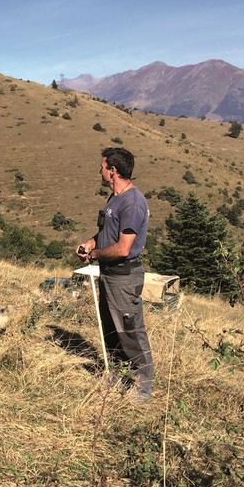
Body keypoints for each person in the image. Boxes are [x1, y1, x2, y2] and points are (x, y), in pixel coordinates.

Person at [76, 147, 154, 401]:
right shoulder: (115, 198)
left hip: (124, 276)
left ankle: (143, 388)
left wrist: (95, 255)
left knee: (130, 331)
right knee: (111, 328)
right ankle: (118, 375)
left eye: (102, 167)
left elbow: (123, 248)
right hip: (110, 274)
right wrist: (91, 243)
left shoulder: (132, 203)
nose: (99, 170)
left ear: (113, 170)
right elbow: (107, 233)